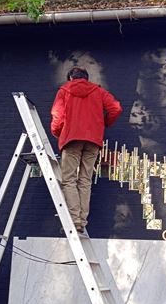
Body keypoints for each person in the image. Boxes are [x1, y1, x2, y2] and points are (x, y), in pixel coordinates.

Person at [51, 66, 122, 233]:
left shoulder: (65, 90)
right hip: (93, 141)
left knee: (68, 180)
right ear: (86, 78)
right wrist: (105, 123)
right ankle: (82, 221)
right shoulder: (98, 91)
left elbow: (57, 115)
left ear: (70, 78)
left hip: (72, 139)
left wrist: (57, 133)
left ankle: (75, 220)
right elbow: (116, 108)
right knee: (85, 181)